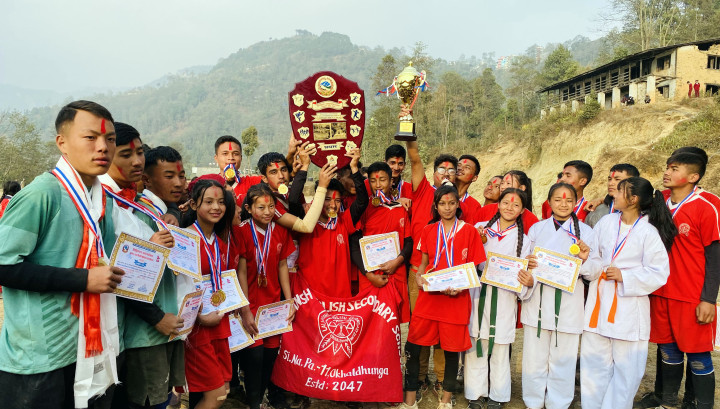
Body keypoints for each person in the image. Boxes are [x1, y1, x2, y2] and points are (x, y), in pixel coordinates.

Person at [0, 100, 125, 408]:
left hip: (90, 348)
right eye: (90, 137)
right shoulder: (42, 194)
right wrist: (83, 280)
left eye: (110, 139)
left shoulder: (102, 199)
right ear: (62, 143)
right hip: (40, 357)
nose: (103, 147)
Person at [99, 123, 187, 409]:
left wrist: (172, 213)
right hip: (139, 327)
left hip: (155, 324)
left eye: (139, 152)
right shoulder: (101, 204)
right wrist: (157, 317)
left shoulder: (137, 203)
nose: (137, 161)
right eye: (126, 154)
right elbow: (116, 270)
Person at [581, 177, 674, 409]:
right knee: (594, 365)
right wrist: (586, 260)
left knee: (626, 370)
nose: (614, 192)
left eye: (620, 190)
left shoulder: (648, 231)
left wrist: (625, 276)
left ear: (633, 199)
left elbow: (659, 272)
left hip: (628, 308)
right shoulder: (606, 222)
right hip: (599, 301)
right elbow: (594, 257)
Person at [637, 152, 719, 409]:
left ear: (693, 176)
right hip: (661, 292)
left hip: (691, 296)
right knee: (668, 352)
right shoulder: (659, 200)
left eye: (674, 168)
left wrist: (708, 299)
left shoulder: (707, 206)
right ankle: (668, 402)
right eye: (667, 167)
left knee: (698, 356)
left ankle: (702, 405)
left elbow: (715, 257)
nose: (667, 172)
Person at [399, 185, 486, 409]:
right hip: (429, 297)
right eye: (442, 204)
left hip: (456, 300)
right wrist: (419, 276)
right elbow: (424, 264)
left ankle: (446, 400)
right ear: (436, 206)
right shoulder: (428, 230)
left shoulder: (469, 231)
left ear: (458, 204)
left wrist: (460, 287)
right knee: (414, 345)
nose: (447, 208)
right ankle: (410, 400)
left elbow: (473, 269)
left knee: (451, 350)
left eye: (451, 203)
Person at [521, 182, 601, 409]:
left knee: (563, 358)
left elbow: (596, 270)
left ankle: (559, 403)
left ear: (576, 203)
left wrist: (583, 260)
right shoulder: (537, 229)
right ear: (549, 203)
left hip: (568, 302)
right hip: (538, 299)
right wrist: (528, 265)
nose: (563, 204)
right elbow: (525, 260)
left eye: (568, 200)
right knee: (534, 358)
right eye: (557, 199)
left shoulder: (586, 232)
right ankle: (533, 401)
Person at [465, 188, 534, 409]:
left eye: (515, 205)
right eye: (505, 202)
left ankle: (498, 394)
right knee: (476, 343)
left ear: (522, 210)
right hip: (479, 293)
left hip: (504, 297)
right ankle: (475, 393)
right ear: (498, 204)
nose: (509, 207)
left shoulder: (524, 240)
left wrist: (524, 281)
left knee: (500, 347)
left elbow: (523, 272)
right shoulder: (480, 229)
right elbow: (466, 258)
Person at [406, 138, 458, 399]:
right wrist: (410, 137)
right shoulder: (423, 190)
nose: (446, 174)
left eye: (451, 171)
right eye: (441, 170)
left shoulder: (457, 202)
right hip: (420, 271)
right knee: (419, 327)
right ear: (433, 173)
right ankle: (418, 378)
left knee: (442, 330)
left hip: (447, 277)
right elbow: (415, 160)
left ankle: (441, 378)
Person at [236, 184, 296, 409]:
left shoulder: (280, 231)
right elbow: (241, 271)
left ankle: (259, 398)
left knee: (270, 358)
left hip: (272, 307)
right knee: (254, 358)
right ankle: (253, 402)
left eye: (271, 207)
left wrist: (288, 300)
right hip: (250, 305)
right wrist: (244, 308)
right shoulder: (242, 231)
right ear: (249, 209)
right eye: (261, 207)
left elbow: (282, 266)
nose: (268, 212)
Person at [182, 178, 236, 409]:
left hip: (219, 323)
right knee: (215, 395)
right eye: (209, 202)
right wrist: (198, 317)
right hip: (197, 327)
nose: (216, 207)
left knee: (223, 390)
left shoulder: (220, 243)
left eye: (221, 202)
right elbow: (178, 287)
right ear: (194, 204)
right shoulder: (183, 239)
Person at [296, 148, 367, 298]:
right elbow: (293, 200)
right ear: (319, 196)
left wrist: (354, 167)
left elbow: (362, 201)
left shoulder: (344, 221)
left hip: (339, 299)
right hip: (312, 300)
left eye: (337, 200)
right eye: (327, 199)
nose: (333, 205)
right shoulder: (306, 221)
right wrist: (305, 166)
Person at [355, 161, 413, 322]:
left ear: (391, 181)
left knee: (392, 322)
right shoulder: (364, 209)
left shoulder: (401, 209)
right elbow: (355, 244)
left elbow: (408, 242)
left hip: (395, 272)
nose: (378, 185)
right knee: (371, 322)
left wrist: (397, 262)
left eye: (383, 180)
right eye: (373, 181)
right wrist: (368, 274)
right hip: (370, 276)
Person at [138, 146, 186, 225]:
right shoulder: (142, 215)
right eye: (169, 176)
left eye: (181, 176)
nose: (179, 183)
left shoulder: (168, 210)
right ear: (146, 180)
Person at [584, 163, 639, 228]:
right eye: (609, 179)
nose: (610, 183)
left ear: (633, 182)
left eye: (617, 179)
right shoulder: (597, 210)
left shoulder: (643, 211)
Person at [214, 135, 262, 205]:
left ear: (241, 158)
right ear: (216, 158)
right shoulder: (210, 185)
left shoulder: (253, 183)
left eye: (236, 154)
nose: (231, 158)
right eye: (225, 154)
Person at [455, 154, 483, 225]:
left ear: (474, 178)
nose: (460, 168)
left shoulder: (475, 206)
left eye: (467, 167)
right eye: (458, 165)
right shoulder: (439, 193)